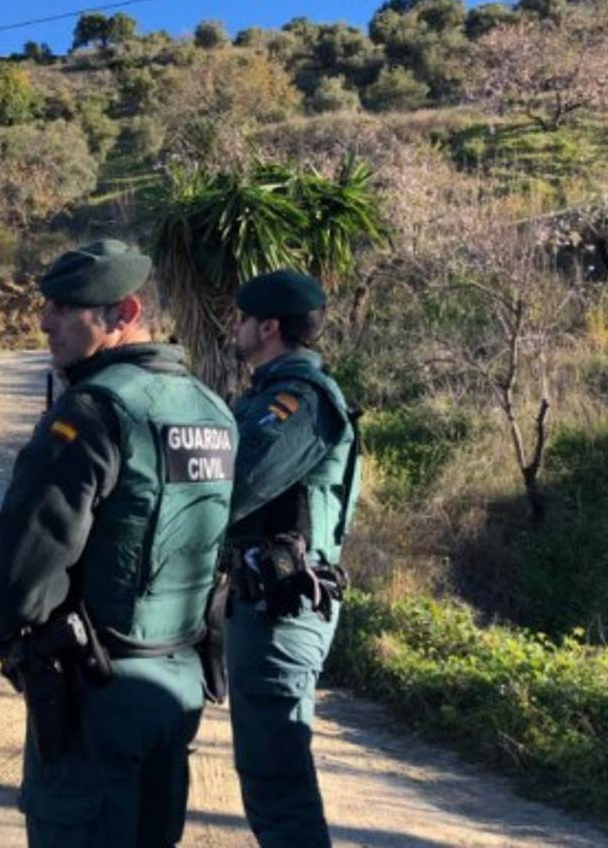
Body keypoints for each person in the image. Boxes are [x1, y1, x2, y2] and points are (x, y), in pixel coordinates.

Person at [0, 239, 237, 848]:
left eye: (65, 308)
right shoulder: (213, 412)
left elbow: (22, 564)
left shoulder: (92, 412)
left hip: (95, 693)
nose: (45, 322)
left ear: (125, 314)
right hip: (177, 687)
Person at [224, 270, 362, 848]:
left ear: (269, 327)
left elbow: (236, 484)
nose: (234, 328)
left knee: (278, 783)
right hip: (266, 606)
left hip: (282, 608)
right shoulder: (272, 394)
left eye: (242, 318)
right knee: (269, 775)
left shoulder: (299, 401)